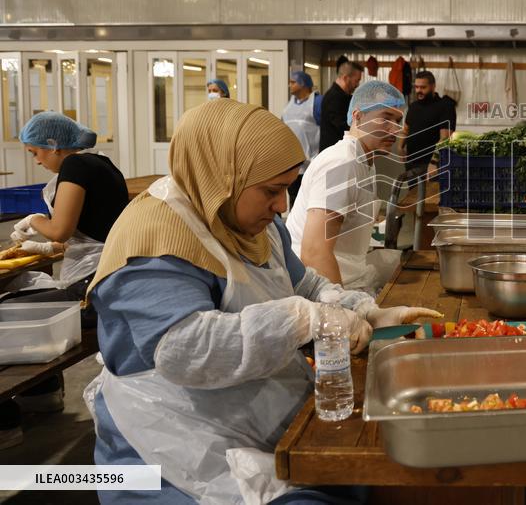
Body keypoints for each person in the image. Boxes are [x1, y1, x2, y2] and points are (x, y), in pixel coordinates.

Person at [84, 98, 439, 504]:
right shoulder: (154, 238)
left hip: (245, 409)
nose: (281, 206)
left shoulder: (246, 217)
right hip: (170, 440)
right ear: (225, 176)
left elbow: (303, 284)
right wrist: (302, 320)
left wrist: (364, 310)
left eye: (286, 188)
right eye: (271, 191)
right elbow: (185, 349)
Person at [0, 112, 130, 450]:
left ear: (53, 145)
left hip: (96, 283)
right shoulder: (101, 164)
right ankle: (40, 394)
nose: (37, 160)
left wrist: (35, 220)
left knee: (7, 310)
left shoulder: (75, 167)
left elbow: (61, 229)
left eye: (36, 152)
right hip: (110, 275)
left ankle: (5, 421)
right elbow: (87, 229)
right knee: (23, 293)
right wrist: (41, 246)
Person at [288, 81, 406, 295]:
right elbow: (314, 253)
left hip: (348, 278)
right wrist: (343, 310)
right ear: (358, 116)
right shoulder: (343, 163)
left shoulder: (364, 162)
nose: (395, 129)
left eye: (398, 120)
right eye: (386, 118)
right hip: (319, 291)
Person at [400, 70, 456, 172]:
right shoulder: (413, 106)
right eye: (416, 87)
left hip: (434, 165)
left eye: (423, 87)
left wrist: (434, 162)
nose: (418, 91)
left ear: (433, 86)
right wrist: (400, 148)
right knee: (413, 188)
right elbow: (405, 130)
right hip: (412, 164)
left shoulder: (445, 106)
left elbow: (445, 138)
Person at [282, 70, 322, 206]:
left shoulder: (316, 103)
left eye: (293, 82)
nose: (290, 85)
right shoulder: (288, 106)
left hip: (311, 164)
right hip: (292, 165)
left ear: (303, 84)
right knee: (294, 201)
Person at [319, 60, 363, 151]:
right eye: (356, 80)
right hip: (333, 154)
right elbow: (342, 126)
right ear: (346, 78)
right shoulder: (334, 97)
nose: (357, 85)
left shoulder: (343, 96)